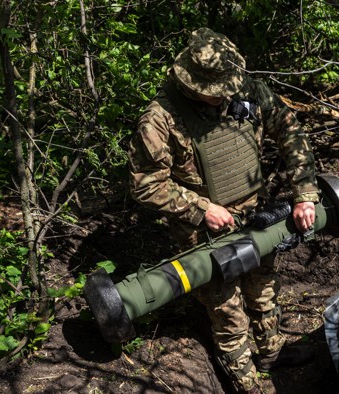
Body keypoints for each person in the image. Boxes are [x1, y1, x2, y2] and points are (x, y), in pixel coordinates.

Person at [128, 27, 320, 393]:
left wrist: (304, 193)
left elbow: (288, 130)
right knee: (226, 307)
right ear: (191, 84)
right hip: (203, 231)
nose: (224, 99)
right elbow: (146, 184)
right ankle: (246, 381)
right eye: (214, 94)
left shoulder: (246, 90)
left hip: (254, 214)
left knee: (263, 285)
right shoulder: (159, 119)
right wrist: (201, 209)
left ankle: (270, 352)